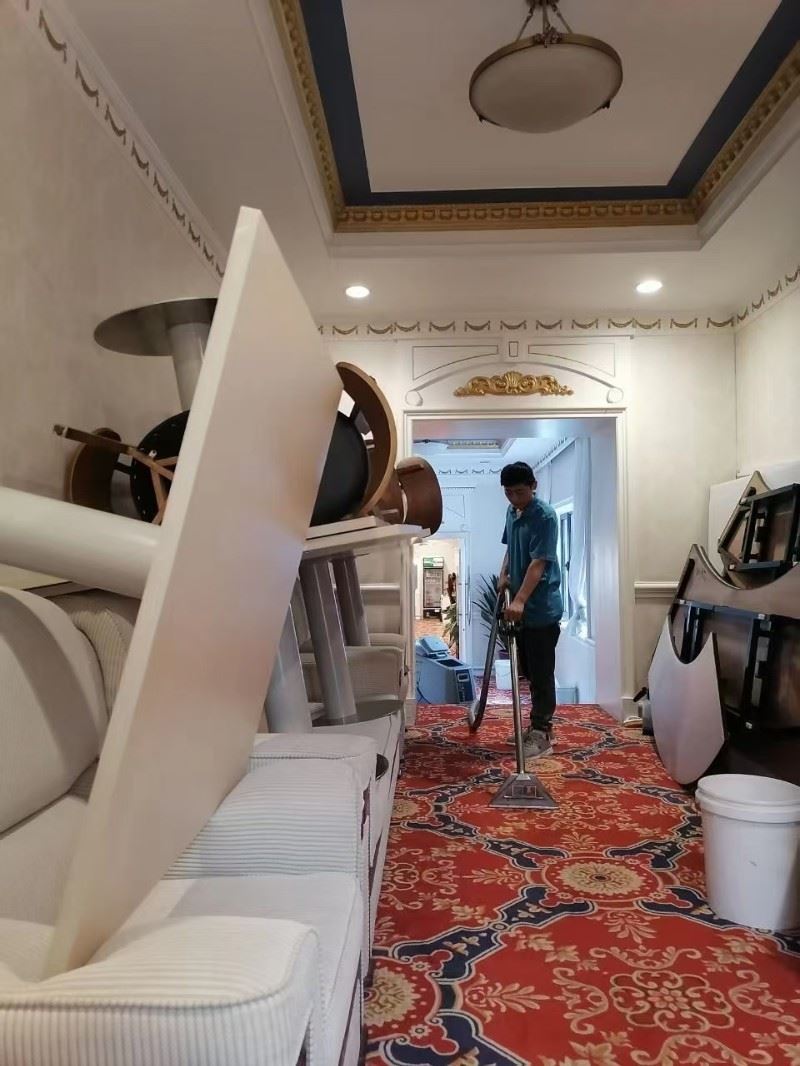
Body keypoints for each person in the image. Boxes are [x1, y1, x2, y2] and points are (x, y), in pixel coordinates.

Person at [498, 461, 563, 758]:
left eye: (520, 492)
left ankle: (542, 732)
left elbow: (538, 564)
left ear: (533, 486)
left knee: (541, 673)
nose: (514, 498)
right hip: (520, 608)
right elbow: (510, 548)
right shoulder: (512, 512)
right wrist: (503, 574)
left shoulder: (545, 517)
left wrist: (520, 600)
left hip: (540, 608)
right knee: (527, 671)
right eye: (508, 493)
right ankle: (535, 727)